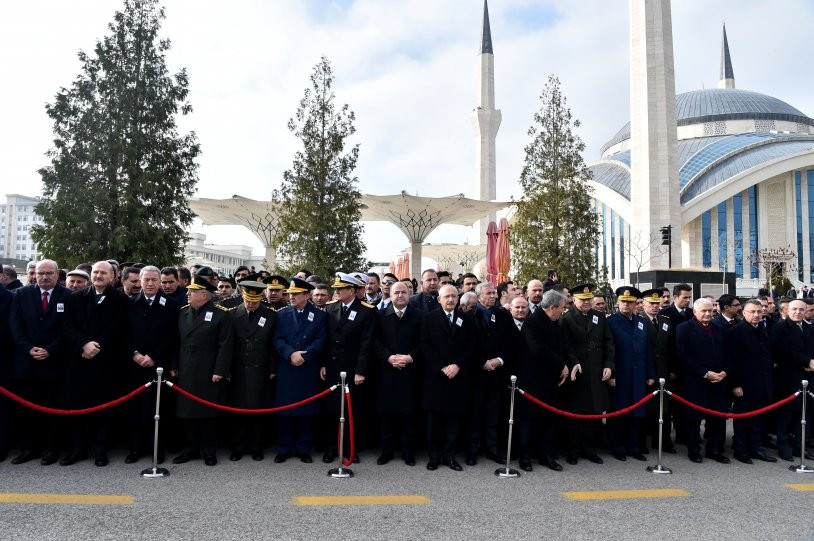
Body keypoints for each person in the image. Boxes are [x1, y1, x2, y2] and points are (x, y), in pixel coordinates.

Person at [61, 261, 130, 467]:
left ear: (113, 276)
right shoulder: (75, 297)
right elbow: (67, 326)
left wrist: (96, 345)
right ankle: (78, 449)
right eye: (96, 272)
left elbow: (119, 327)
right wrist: (83, 344)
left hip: (105, 361)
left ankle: (100, 449)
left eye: (103, 273)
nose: (98, 276)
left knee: (103, 407)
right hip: (79, 360)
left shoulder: (120, 299)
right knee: (77, 406)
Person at [8, 259, 70, 466]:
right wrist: (28, 348)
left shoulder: (68, 296)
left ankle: (51, 449)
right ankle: (29, 448)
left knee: (52, 409)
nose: (44, 277)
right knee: (27, 410)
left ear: (56, 274)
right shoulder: (21, 295)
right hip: (26, 362)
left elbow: (68, 329)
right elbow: (15, 325)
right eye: (40, 273)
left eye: (49, 273)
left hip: (54, 362)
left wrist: (50, 350)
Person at [171, 275, 233, 466]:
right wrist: (173, 365)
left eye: (192, 291)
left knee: (207, 413)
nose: (188, 294)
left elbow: (226, 345)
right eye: (188, 291)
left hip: (208, 370)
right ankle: (190, 448)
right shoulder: (183, 312)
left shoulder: (221, 314)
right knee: (187, 411)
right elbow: (175, 342)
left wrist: (220, 370)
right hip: (186, 368)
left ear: (204, 295)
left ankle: (208, 450)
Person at [125, 265, 180, 464]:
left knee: (158, 410)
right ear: (139, 281)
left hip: (158, 365)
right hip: (134, 364)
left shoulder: (171, 305)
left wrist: (154, 356)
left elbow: (172, 336)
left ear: (159, 282)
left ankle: (156, 448)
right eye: (146, 280)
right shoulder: (129, 303)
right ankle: (135, 448)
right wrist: (135, 354)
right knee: (135, 409)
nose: (150, 283)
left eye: (153, 280)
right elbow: (123, 334)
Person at [510, 292, 569, 472]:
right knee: (527, 421)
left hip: (550, 380)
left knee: (548, 420)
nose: (563, 311)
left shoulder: (554, 323)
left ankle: (546, 456)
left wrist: (563, 366)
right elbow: (538, 349)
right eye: (562, 307)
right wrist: (561, 365)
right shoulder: (532, 323)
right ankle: (525, 457)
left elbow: (561, 347)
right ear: (552, 307)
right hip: (532, 381)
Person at [321, 273, 376, 463]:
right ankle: (331, 448)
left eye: (341, 289)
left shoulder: (366, 311)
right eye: (336, 288)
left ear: (352, 291)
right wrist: (323, 364)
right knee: (332, 410)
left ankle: (350, 448)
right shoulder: (330, 308)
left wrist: (361, 370)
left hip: (352, 369)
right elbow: (325, 340)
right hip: (333, 367)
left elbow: (366, 344)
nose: (336, 292)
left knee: (353, 411)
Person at [559, 283, 615, 464]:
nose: (586, 302)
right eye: (582, 300)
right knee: (575, 414)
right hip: (578, 373)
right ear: (573, 299)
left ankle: (589, 449)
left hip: (596, 372)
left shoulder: (599, 316)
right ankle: (573, 450)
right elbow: (565, 346)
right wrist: (574, 362)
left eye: (588, 299)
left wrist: (609, 365)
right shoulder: (567, 319)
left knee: (593, 414)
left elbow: (609, 343)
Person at [421, 284, 474, 471]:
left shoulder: (465, 319)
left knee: (454, 420)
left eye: (454, 296)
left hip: (457, 376)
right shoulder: (428, 319)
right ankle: (434, 456)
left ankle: (450, 455)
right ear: (439, 299)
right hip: (436, 377)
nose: (451, 299)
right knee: (434, 421)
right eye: (447, 296)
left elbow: (470, 346)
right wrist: (441, 367)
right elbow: (425, 345)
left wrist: (457, 365)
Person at [273, 277, 325, 463]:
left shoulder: (319, 316)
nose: (291, 297)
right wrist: (290, 354)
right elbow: (277, 339)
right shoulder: (281, 314)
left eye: (296, 294)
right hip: (288, 367)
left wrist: (305, 355)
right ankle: (284, 448)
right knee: (286, 410)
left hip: (307, 368)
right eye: (290, 294)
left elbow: (320, 340)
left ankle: (303, 448)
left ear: (306, 295)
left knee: (307, 410)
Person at [373, 281, 423, 466]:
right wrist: (388, 358)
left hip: (409, 372)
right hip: (387, 372)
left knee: (408, 415)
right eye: (396, 292)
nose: (400, 295)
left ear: (409, 294)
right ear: (390, 295)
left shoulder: (419, 316)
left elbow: (423, 342)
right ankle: (386, 451)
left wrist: (410, 357)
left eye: (404, 292)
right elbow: (374, 342)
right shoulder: (379, 316)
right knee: (386, 414)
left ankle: (408, 452)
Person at [676, 298, 730, 464]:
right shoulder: (683, 328)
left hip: (718, 381)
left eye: (710, 311)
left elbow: (728, 353)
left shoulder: (719, 329)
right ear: (695, 312)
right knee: (694, 418)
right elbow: (684, 355)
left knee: (718, 418)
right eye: (704, 311)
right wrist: (705, 373)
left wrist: (724, 372)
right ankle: (694, 450)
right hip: (696, 380)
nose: (708, 314)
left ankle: (715, 450)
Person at [229, 280, 276, 462]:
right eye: (248, 301)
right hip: (239, 369)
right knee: (238, 410)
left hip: (260, 369)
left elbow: (272, 345)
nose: (251, 304)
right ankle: (238, 446)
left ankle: (257, 446)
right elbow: (228, 345)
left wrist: (272, 369)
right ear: (243, 296)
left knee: (258, 410)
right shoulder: (232, 314)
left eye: (255, 301)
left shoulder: (270, 315)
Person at [467, 281, 513, 465]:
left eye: (495, 293)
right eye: (489, 293)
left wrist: (499, 360)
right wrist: (481, 362)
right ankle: (472, 451)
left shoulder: (502, 315)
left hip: (496, 373)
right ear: (478, 297)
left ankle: (492, 449)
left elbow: (510, 343)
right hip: (475, 375)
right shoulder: (469, 316)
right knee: (474, 416)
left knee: (493, 415)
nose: (494, 296)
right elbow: (466, 345)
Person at [606, 287, 654, 461]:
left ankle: (633, 447)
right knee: (619, 413)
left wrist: (650, 373)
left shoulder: (641, 322)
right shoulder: (611, 322)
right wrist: (611, 374)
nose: (626, 304)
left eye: (630, 302)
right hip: (620, 375)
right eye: (623, 301)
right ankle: (618, 447)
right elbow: (608, 350)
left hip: (639, 375)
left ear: (636, 304)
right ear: (618, 302)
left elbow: (647, 350)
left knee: (637, 413)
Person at [727, 298, 777, 464]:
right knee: (742, 419)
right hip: (744, 385)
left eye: (759, 311)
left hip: (761, 382)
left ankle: (756, 448)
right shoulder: (736, 332)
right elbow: (731, 361)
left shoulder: (762, 329)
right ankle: (741, 450)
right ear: (744, 312)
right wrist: (735, 384)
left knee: (758, 419)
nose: (756, 315)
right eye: (752, 312)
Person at [771, 299, 814, 462]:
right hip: (788, 378)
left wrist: (812, 363)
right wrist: (807, 361)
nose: (798, 312)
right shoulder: (780, 328)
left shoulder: (810, 327)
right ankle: (784, 447)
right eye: (794, 309)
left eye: (801, 309)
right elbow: (782, 351)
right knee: (786, 415)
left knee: (805, 414)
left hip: (809, 378)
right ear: (787, 310)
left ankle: (800, 447)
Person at [640, 289, 677, 453]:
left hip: (663, 370)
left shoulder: (665, 320)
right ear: (643, 304)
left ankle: (663, 440)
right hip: (646, 370)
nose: (655, 306)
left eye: (657, 303)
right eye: (651, 303)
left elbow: (672, 347)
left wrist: (673, 369)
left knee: (664, 408)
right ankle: (645, 440)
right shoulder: (639, 321)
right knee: (646, 407)